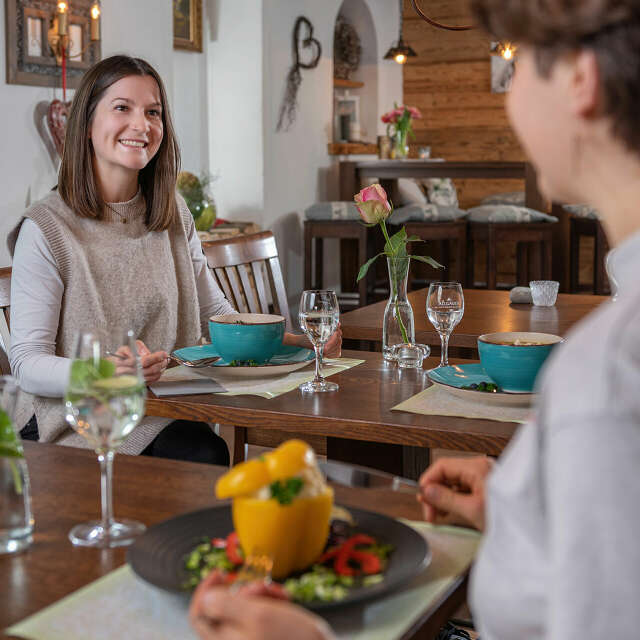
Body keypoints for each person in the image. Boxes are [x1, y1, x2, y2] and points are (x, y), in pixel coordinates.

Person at [189, 0, 640, 637]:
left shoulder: (608, 373)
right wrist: (525, 510)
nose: (512, 102)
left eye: (521, 70)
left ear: (580, 81)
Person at [8, 55, 341, 463]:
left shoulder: (171, 212)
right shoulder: (46, 229)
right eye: (122, 108)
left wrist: (289, 343)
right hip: (73, 421)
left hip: (163, 410)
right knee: (205, 457)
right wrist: (105, 373)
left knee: (227, 454)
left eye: (153, 112)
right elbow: (27, 364)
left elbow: (213, 312)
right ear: (87, 123)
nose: (141, 125)